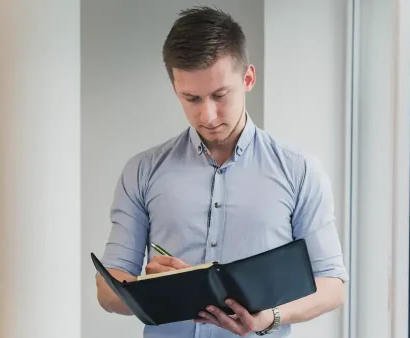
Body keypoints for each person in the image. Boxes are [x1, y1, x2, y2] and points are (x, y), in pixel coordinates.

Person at [95, 5, 348, 338]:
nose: (208, 115)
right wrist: (149, 288)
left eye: (219, 95)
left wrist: (267, 317)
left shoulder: (299, 171)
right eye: (192, 98)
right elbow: (108, 288)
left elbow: (331, 286)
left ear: (247, 79)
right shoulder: (142, 171)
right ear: (175, 88)